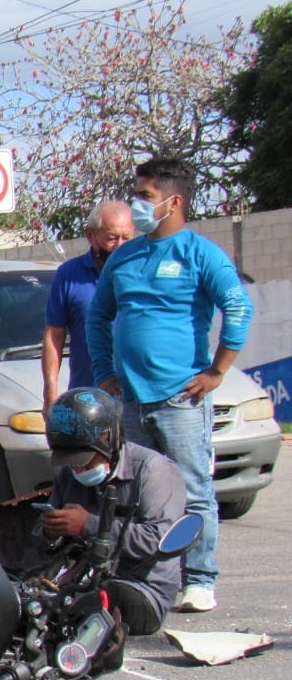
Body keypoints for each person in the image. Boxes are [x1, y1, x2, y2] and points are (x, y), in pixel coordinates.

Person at [87, 156, 254, 614]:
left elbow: (238, 310)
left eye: (145, 197)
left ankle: (199, 578)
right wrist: (104, 371)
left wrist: (216, 371)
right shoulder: (124, 256)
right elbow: (98, 316)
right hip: (130, 401)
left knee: (194, 491)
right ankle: (142, 578)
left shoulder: (201, 255)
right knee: (136, 495)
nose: (136, 206)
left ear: (173, 201)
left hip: (180, 399)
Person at [40, 387, 187, 654]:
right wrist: (50, 532)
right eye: (73, 464)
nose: (78, 470)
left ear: (109, 440)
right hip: (81, 578)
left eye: (84, 462)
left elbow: (159, 539)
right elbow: (48, 542)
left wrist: (88, 524)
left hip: (139, 588)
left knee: (89, 601)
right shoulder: (68, 474)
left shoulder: (153, 470)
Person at [41, 200, 134, 413]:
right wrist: (50, 392)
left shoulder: (144, 273)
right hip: (89, 400)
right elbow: (54, 335)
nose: (120, 245)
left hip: (137, 399)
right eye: (111, 238)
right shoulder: (69, 275)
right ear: (91, 236)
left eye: (127, 238)